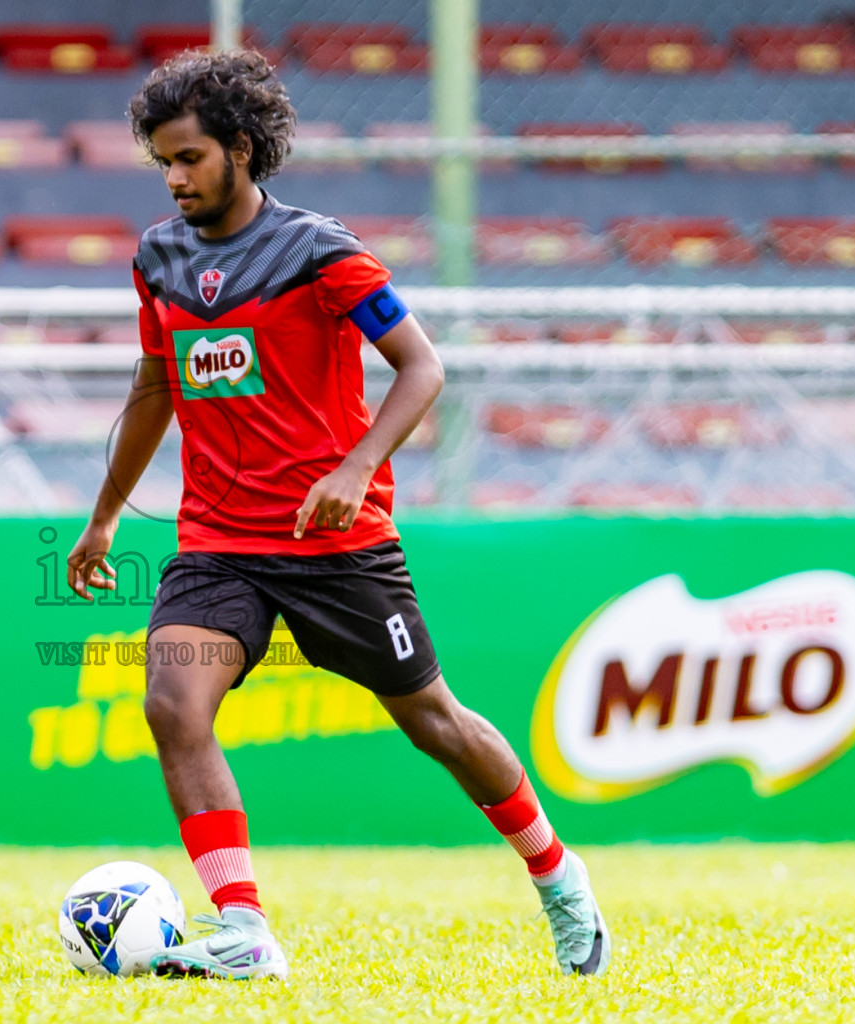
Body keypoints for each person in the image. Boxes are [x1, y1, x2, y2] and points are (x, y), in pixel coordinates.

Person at [65, 49, 609, 981]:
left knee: (434, 721)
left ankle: (559, 879)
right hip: (219, 543)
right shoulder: (158, 258)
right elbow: (155, 384)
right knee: (171, 700)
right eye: (162, 160)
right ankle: (243, 930)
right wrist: (106, 515)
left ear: (241, 148)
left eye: (189, 157)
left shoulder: (321, 252)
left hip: (335, 542)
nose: (174, 177)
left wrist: (358, 468)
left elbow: (424, 367)